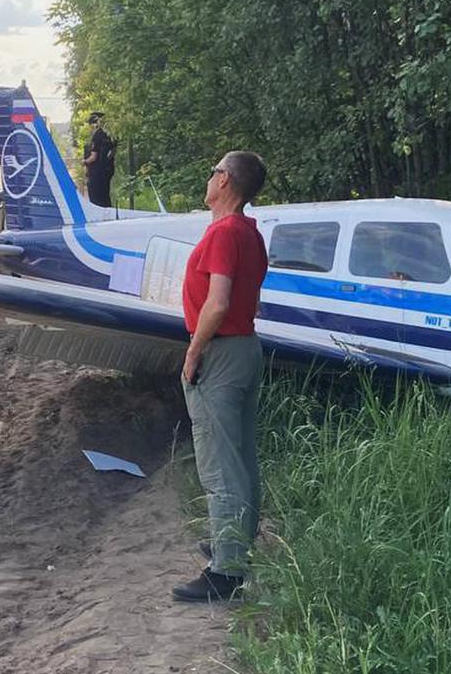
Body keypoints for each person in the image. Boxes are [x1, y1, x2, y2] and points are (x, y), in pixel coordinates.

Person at [172, 151, 269, 603]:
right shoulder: (249, 232)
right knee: (242, 455)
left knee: (219, 464)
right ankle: (236, 542)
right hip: (246, 348)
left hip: (221, 353)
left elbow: (218, 302)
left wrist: (194, 353)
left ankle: (226, 572)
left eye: (213, 171)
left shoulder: (224, 232)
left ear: (225, 180)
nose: (209, 178)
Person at [81, 111, 115, 207]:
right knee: (105, 195)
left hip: (96, 172)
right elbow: (112, 152)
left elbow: (93, 157)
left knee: (95, 198)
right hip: (108, 170)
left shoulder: (97, 135)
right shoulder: (111, 134)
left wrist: (84, 162)